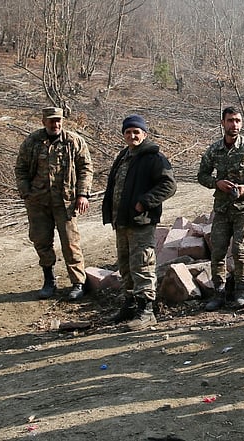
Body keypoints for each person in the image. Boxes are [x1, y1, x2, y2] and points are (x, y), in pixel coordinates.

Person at [102, 115, 177, 331]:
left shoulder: (153, 157)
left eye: (136, 132)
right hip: (122, 222)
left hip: (141, 222)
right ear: (123, 135)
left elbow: (169, 185)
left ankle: (146, 312)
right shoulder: (124, 156)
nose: (132, 136)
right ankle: (130, 305)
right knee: (125, 266)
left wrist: (144, 202)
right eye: (128, 132)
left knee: (142, 265)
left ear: (144, 134)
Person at [14, 107, 93, 301]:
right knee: (41, 241)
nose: (55, 124)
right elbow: (21, 169)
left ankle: (77, 283)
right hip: (38, 203)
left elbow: (86, 168)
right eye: (51, 121)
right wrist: (26, 192)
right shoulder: (32, 142)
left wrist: (82, 194)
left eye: (58, 120)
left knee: (70, 243)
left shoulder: (73, 141)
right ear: (43, 121)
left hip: (65, 203)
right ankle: (49, 281)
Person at [198, 107, 244, 312]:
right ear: (223, 123)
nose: (235, 125)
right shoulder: (214, 149)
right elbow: (201, 175)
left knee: (240, 249)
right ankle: (219, 293)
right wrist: (217, 183)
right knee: (218, 251)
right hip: (222, 208)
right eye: (230, 121)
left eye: (238, 121)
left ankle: (240, 293)